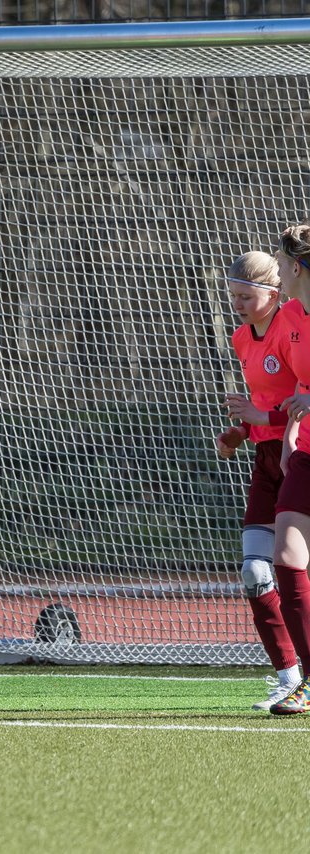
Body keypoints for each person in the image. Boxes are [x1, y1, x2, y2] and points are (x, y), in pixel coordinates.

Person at [217, 251, 301, 710]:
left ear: (274, 293)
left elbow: (300, 397)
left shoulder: (292, 328)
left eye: (246, 296)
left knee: (294, 572)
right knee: (254, 572)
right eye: (234, 295)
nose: (238, 303)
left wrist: (261, 416)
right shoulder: (240, 338)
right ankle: (289, 675)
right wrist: (241, 430)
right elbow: (261, 404)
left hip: (298, 453)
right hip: (265, 459)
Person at [264, 223, 310, 715]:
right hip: (307, 454)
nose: (276, 268)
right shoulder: (291, 315)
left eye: (280, 261)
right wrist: (291, 440)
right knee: (287, 557)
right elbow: (297, 388)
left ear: (297, 267)